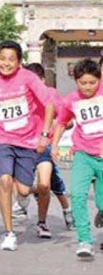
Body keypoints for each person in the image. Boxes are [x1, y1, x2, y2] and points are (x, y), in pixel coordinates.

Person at [0, 41, 54, 251]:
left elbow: (49, 104)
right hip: (2, 140)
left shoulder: (28, 78)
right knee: (4, 180)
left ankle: (28, 195)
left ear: (19, 62)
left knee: (22, 189)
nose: (6, 63)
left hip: (27, 141)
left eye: (11, 59)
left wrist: (45, 135)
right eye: (2, 59)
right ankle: (9, 233)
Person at [12, 63, 74, 238]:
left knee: (48, 184)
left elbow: (66, 119)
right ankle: (24, 203)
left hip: (44, 147)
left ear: (42, 80)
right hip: (23, 147)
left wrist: (56, 127)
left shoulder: (50, 94)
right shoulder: (18, 95)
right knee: (25, 188)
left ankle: (46, 221)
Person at [51, 59, 103, 259]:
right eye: (83, 83)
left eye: (92, 83)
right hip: (82, 154)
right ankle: (85, 240)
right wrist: (54, 145)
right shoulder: (70, 100)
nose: (88, 87)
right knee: (78, 195)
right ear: (76, 81)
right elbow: (62, 123)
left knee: (102, 200)